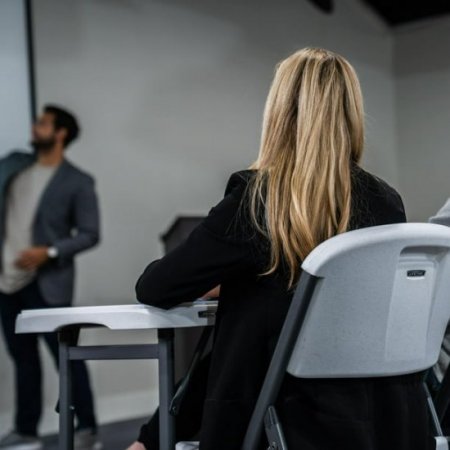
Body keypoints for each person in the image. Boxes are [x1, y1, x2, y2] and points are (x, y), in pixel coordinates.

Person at [127, 48, 432, 449]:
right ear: (351, 113)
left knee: (244, 324)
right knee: (253, 308)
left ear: (279, 113)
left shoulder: (258, 198)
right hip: (376, 416)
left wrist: (228, 277)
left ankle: (147, 443)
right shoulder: (386, 201)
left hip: (284, 415)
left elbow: (155, 288)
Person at [0, 105, 101, 450]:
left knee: (67, 358)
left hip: (47, 283)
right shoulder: (13, 167)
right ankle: (26, 430)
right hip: (7, 282)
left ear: (60, 133)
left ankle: (87, 428)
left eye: (42, 123)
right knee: (22, 359)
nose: (35, 127)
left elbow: (90, 233)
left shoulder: (78, 181)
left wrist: (50, 252)